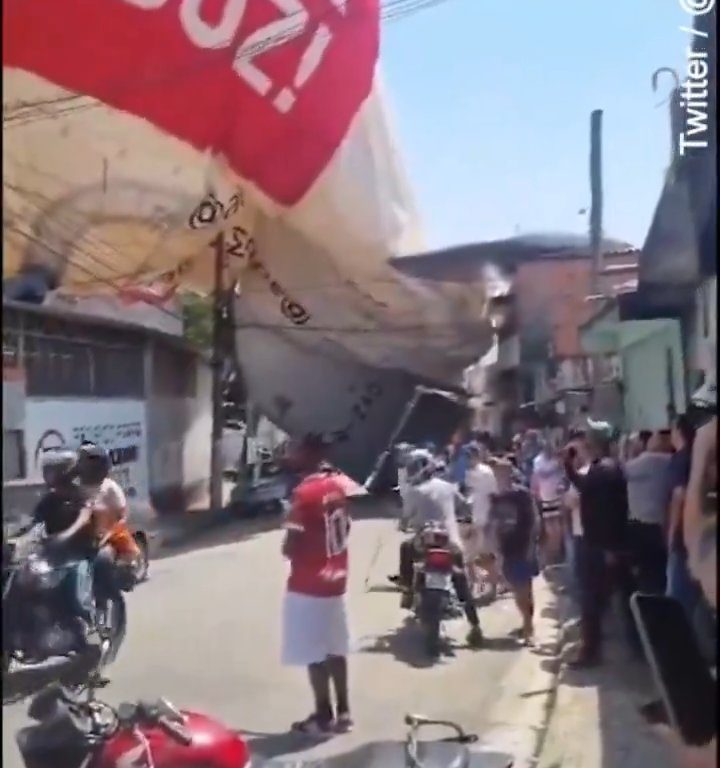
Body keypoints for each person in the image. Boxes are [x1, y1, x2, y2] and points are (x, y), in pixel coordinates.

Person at [281, 435, 353, 736]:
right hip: (336, 580)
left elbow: (289, 547)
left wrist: (289, 537)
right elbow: (345, 526)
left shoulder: (304, 494)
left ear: (307, 453)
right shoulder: (337, 488)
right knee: (336, 648)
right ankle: (345, 712)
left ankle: (323, 715)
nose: (290, 453)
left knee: (314, 653)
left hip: (308, 585)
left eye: (294, 448)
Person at [397, 449, 484, 647]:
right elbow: (464, 506)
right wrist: (465, 517)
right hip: (450, 543)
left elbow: (405, 519)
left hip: (423, 544)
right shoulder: (448, 487)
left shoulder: (414, 492)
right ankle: (476, 626)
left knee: (405, 548)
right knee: (461, 583)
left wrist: (403, 524)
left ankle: (407, 590)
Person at [563, 421, 630, 667]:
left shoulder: (603, 470)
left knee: (591, 598)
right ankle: (595, 647)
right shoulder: (607, 468)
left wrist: (569, 464)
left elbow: (578, 496)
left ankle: (591, 652)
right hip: (600, 543)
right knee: (598, 597)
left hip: (598, 544)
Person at [30, 449, 97, 644]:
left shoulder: (80, 495)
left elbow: (84, 518)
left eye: (52, 470)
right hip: (53, 553)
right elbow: (35, 523)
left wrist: (67, 534)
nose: (48, 475)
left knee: (76, 576)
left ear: (65, 472)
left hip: (80, 551)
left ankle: (88, 626)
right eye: (47, 470)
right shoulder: (48, 501)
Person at [490, 458, 540, 646]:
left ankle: (529, 630)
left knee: (523, 590)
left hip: (522, 547)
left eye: (501, 474)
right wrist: (496, 550)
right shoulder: (495, 497)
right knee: (517, 590)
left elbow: (534, 520)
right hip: (506, 549)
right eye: (496, 474)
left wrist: (531, 546)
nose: (498, 477)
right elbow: (495, 524)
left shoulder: (522, 494)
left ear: (509, 474)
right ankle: (527, 622)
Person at [76, 442, 137, 587]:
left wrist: (108, 535)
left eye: (88, 463)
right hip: (80, 539)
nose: (84, 467)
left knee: (105, 560)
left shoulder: (110, 487)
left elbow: (122, 515)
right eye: (82, 462)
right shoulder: (76, 488)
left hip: (108, 538)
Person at [624, 431, 673, 594]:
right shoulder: (671, 460)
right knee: (660, 572)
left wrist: (628, 450)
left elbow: (621, 471)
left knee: (646, 574)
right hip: (662, 525)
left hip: (643, 527)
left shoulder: (650, 460)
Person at [666, 415, 697, 614]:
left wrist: (671, 533)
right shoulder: (697, 455)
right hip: (699, 534)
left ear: (678, 431)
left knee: (677, 597)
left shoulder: (680, 459)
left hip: (683, 536)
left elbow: (679, 497)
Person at [463, 443, 500, 599]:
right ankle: (472, 586)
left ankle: (492, 589)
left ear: (477, 455)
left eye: (471, 455)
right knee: (468, 558)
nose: (468, 459)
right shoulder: (465, 473)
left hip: (483, 519)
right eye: (467, 456)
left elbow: (493, 496)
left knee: (486, 557)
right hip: (469, 520)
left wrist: (492, 519)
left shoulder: (486, 472)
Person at [531, 441, 565, 567]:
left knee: (558, 527)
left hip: (558, 496)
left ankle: (556, 553)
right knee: (550, 528)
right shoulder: (538, 460)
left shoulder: (556, 460)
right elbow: (542, 474)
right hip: (545, 496)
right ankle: (551, 555)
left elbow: (562, 474)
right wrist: (556, 466)